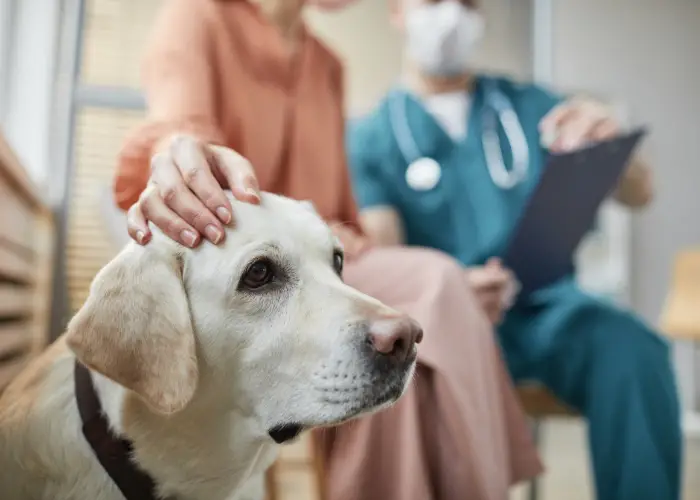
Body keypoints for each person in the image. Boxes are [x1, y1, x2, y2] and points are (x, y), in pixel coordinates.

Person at [113, 0, 544, 499]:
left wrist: (422, 280)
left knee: (436, 292)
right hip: (248, 275)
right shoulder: (198, 16)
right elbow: (178, 126)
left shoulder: (328, 65)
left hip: (327, 265)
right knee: (433, 286)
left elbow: (341, 220)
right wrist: (180, 153)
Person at [346, 1, 682, 500]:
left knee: (633, 349)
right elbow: (386, 251)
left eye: (467, 3)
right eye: (434, 2)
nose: (451, 17)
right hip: (446, 325)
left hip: (548, 314)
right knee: (412, 387)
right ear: (397, 11)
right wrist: (455, 291)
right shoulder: (371, 138)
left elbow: (641, 193)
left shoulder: (530, 107)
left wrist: (610, 142)